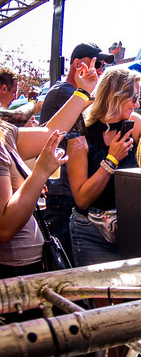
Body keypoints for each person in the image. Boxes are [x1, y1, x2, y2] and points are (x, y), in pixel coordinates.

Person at [0, 64, 99, 277]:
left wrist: (83, 92)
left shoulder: (3, 131)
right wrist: (40, 173)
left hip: (27, 265)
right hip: (12, 274)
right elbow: (4, 228)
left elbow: (49, 134)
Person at [39, 42, 115, 264]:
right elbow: (101, 106)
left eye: (103, 66)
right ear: (77, 64)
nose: (101, 69)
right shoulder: (66, 92)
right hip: (60, 193)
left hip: (67, 191)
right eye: (97, 63)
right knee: (64, 265)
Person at [66, 66, 141, 266]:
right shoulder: (82, 131)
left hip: (131, 229)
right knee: (105, 295)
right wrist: (111, 161)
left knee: (133, 296)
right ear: (116, 95)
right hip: (91, 231)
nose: (137, 104)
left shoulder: (134, 125)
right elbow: (82, 199)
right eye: (134, 98)